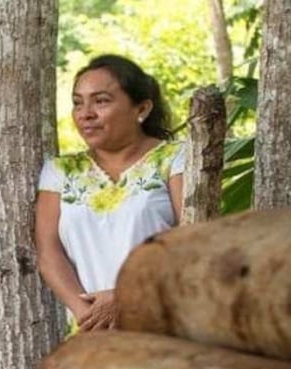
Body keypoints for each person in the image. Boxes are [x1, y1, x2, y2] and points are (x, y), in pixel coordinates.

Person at [34, 54, 184, 330]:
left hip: (164, 324)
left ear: (142, 108)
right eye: (78, 103)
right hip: (89, 331)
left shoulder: (176, 158)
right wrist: (87, 316)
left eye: (101, 101)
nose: (85, 113)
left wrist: (126, 298)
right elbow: (49, 252)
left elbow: (193, 242)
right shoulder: (60, 170)